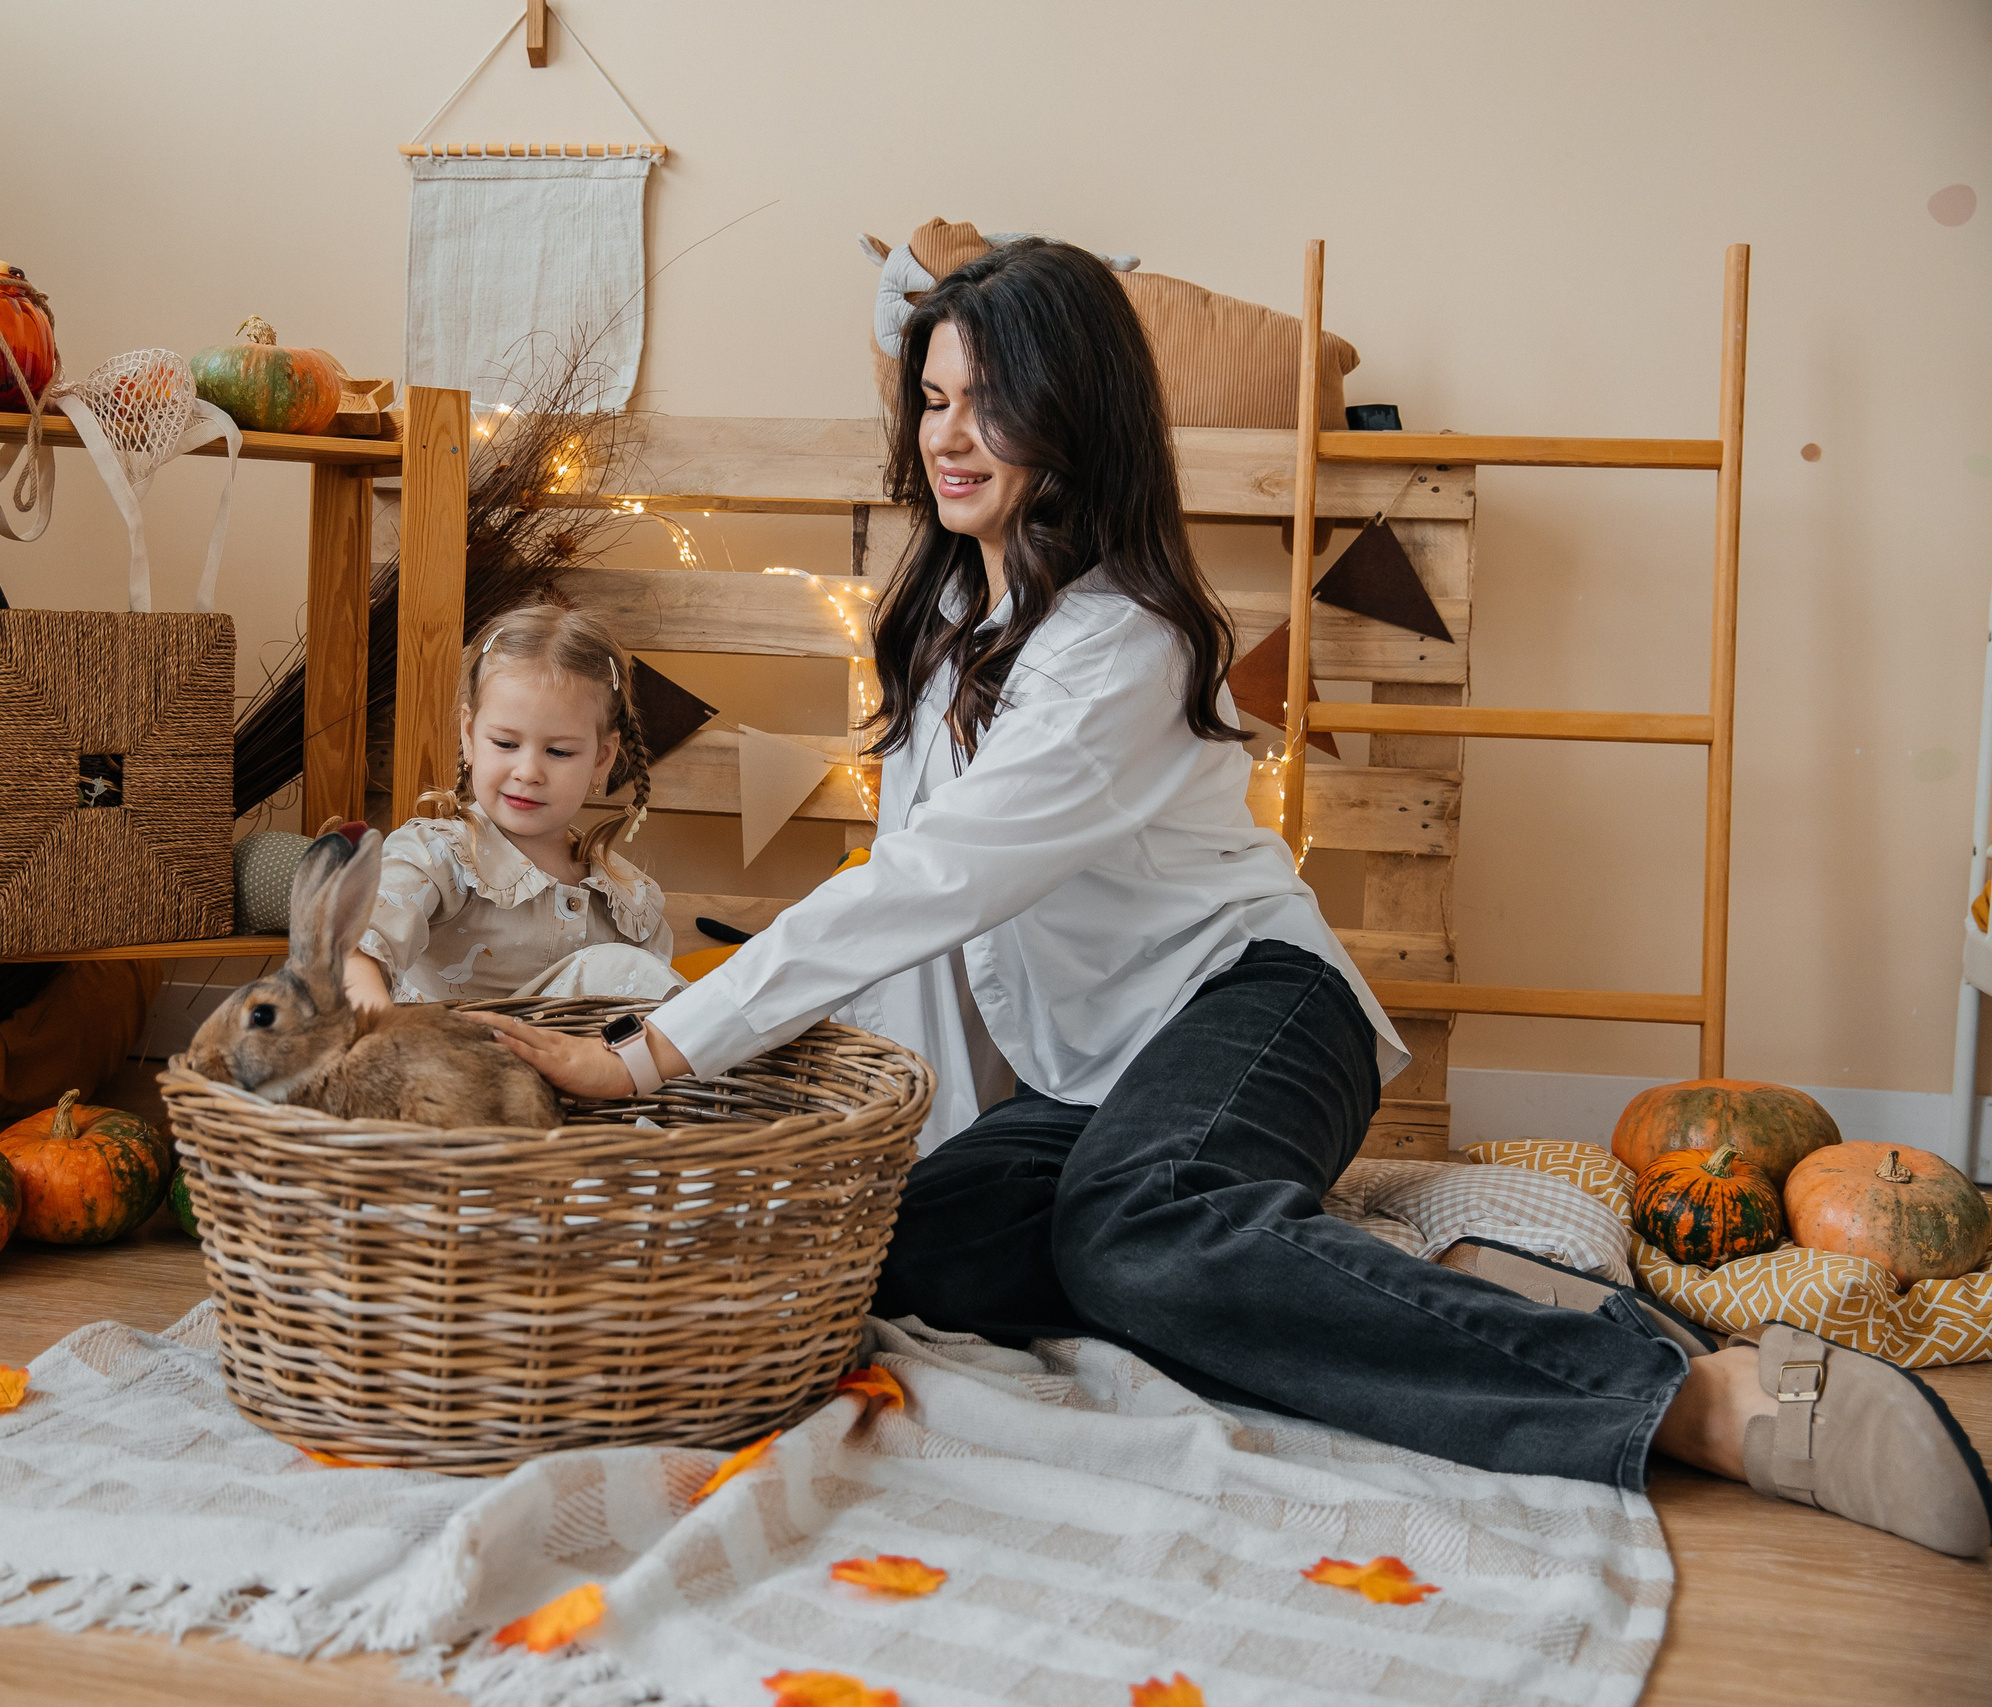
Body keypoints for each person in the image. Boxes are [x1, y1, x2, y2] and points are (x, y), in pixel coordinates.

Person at [487, 240, 1990, 1556]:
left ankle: (1696, 1393)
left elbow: (922, 889)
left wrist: (654, 1049)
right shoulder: (950, 616)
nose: (951, 437)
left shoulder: (1122, 646)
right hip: (1095, 1081)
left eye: (988, 402)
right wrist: (895, 1142)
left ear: (1074, 420)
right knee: (892, 1251)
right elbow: (935, 950)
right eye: (933, 399)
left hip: (1253, 1008)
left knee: (1139, 1225)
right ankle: (1396, 1270)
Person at [347, 603, 684, 1010]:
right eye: (505, 744)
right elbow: (357, 951)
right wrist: (375, 1029)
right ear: (469, 736)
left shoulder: (628, 901)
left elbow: (664, 1022)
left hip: (585, 1069)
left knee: (639, 977)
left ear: (602, 759)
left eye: (559, 752)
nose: (528, 771)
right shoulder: (435, 857)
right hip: (443, 1060)